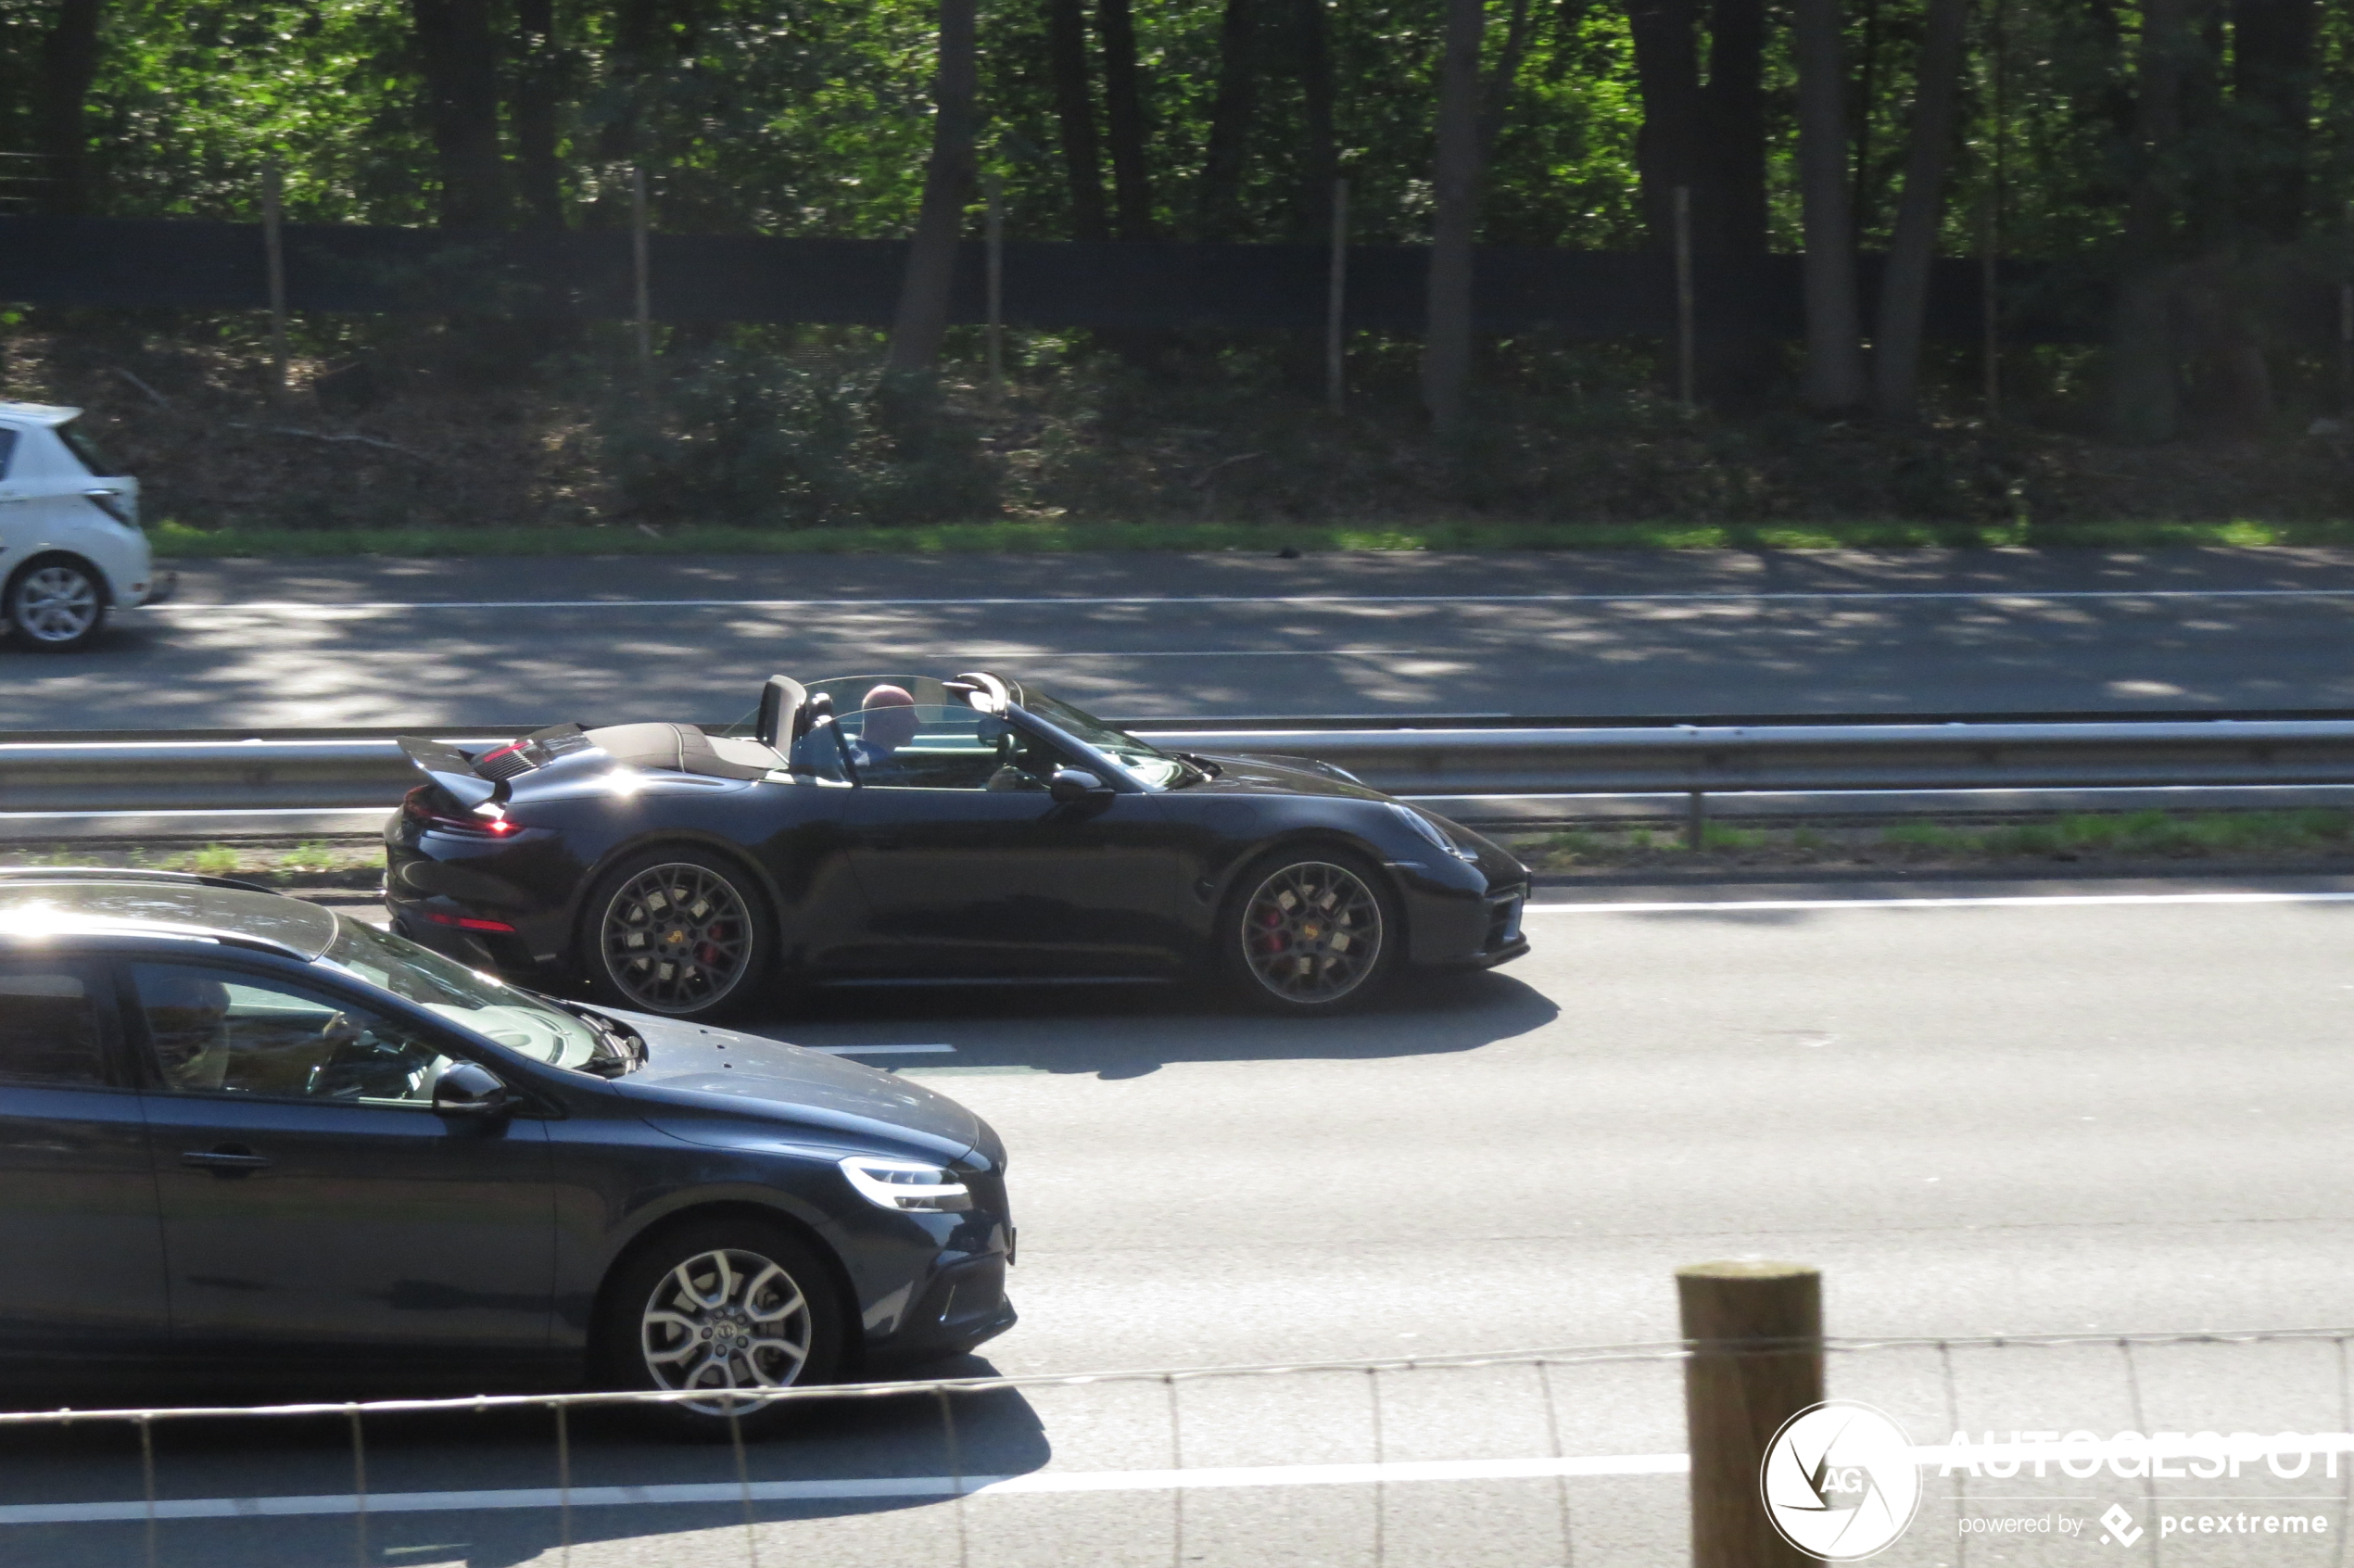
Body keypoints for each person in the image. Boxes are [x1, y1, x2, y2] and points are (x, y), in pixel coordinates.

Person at [846, 684, 922, 778]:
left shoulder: (849, 757)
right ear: (887, 722)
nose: (917, 722)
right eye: (910, 715)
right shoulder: (878, 772)